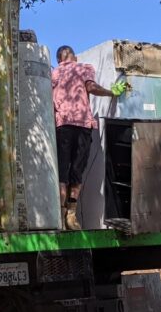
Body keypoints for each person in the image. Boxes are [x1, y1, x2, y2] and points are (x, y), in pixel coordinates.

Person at [51, 45, 128, 230]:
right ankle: (71, 215)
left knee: (62, 173)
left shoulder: (53, 74)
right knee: (76, 173)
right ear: (74, 56)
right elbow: (91, 87)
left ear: (59, 59)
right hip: (83, 126)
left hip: (62, 126)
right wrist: (112, 92)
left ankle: (60, 217)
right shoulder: (84, 67)